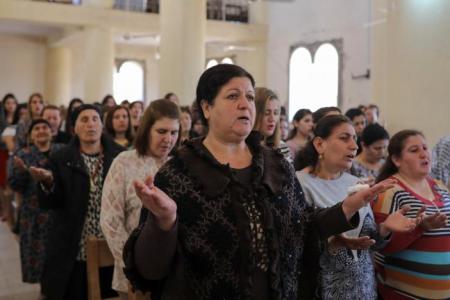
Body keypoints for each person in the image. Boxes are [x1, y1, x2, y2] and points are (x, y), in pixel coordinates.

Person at [122, 64, 394, 300]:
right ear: (206, 107)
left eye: (250, 97)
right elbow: (150, 269)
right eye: (232, 96)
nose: (245, 104)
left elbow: (303, 228)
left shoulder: (276, 166)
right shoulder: (178, 173)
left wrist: (346, 208)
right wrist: (165, 221)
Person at [295, 115, 416, 300]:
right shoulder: (300, 184)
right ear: (320, 144)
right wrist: (334, 240)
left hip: (364, 290)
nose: (354, 146)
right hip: (322, 290)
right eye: (344, 138)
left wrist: (385, 228)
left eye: (355, 139)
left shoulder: (355, 183)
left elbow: (370, 243)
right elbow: (296, 244)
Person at [31, 104, 123, 300]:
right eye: (84, 120)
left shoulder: (119, 156)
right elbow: (50, 203)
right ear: (74, 128)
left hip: (110, 243)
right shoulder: (61, 158)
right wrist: (48, 183)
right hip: (73, 244)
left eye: (95, 119)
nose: (90, 124)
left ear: (102, 125)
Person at [101, 99, 180, 298]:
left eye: (174, 132)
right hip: (132, 274)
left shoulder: (180, 165)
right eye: (161, 131)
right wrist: (134, 266)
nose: (168, 139)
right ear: (146, 129)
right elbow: (110, 221)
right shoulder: (124, 162)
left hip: (175, 274)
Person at [373, 130, 450, 299]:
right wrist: (421, 227)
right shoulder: (389, 191)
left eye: (425, 147)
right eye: (414, 150)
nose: (424, 154)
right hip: (403, 294)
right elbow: (379, 246)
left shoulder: (441, 187)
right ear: (396, 159)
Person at [7, 119, 63, 293]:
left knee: (60, 256)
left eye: (44, 127)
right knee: (39, 259)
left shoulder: (61, 151)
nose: (41, 131)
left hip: (59, 212)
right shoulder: (22, 154)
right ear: (30, 135)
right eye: (36, 128)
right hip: (33, 214)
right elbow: (15, 185)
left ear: (51, 131)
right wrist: (22, 172)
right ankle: (45, 292)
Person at [253, 87, 291, 161]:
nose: (272, 119)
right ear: (254, 113)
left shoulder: (282, 147)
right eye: (266, 113)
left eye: (276, 113)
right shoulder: (243, 148)